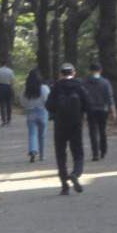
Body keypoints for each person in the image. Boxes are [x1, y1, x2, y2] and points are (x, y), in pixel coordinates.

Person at [45, 63, 92, 196]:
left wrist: (56, 113)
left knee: (61, 154)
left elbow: (49, 105)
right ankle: (75, 173)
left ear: (60, 74)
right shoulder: (79, 86)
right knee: (78, 153)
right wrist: (82, 111)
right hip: (76, 124)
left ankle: (64, 186)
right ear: (73, 73)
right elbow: (89, 104)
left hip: (60, 124)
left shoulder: (56, 87)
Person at [83, 63, 117, 161]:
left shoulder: (86, 83)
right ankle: (103, 151)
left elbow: (84, 97)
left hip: (91, 110)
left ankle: (95, 154)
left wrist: (84, 110)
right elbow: (110, 97)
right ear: (100, 71)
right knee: (102, 131)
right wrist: (113, 111)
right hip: (103, 110)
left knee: (93, 131)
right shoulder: (105, 82)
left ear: (90, 71)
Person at [20, 69, 51, 162]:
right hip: (42, 113)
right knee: (42, 135)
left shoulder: (25, 88)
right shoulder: (44, 88)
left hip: (30, 113)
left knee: (32, 134)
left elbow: (23, 102)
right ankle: (42, 155)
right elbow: (48, 101)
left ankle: (33, 151)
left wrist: (28, 106)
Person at [0, 59, 16, 126]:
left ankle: (3, 120)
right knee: (8, 105)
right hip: (8, 88)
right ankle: (9, 119)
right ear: (6, 63)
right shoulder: (10, 71)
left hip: (0, 88)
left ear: (0, 63)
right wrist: (13, 89)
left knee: (1, 105)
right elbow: (12, 82)